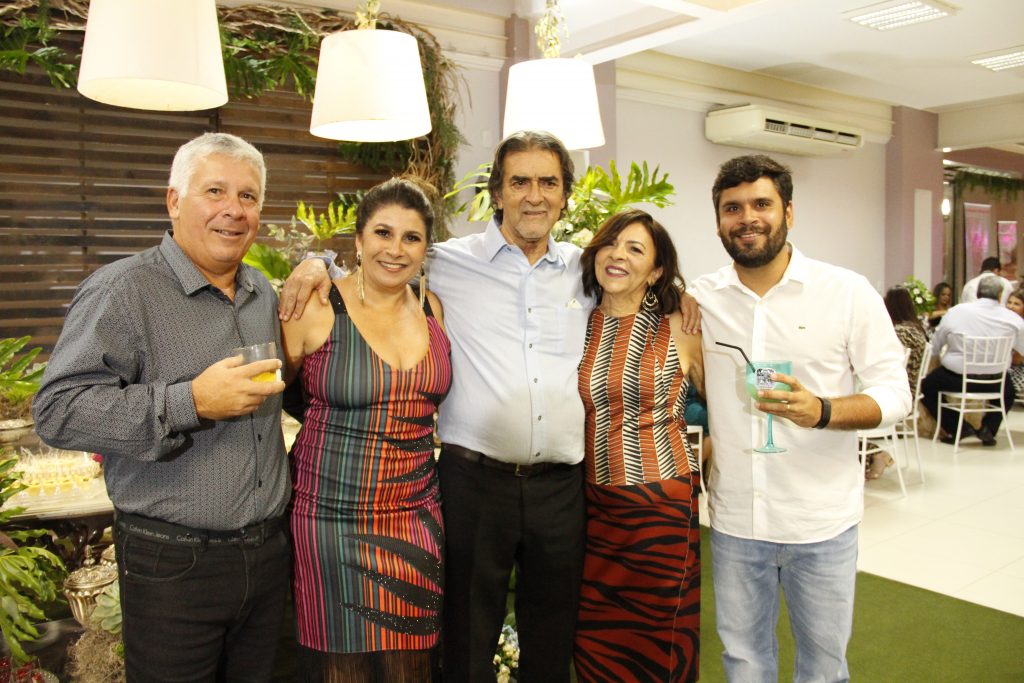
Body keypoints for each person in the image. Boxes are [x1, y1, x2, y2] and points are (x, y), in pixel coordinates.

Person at [32, 132, 291, 682]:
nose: (233, 209)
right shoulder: (123, 290)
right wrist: (190, 401)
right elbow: (57, 410)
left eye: (247, 196)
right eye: (214, 191)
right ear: (174, 200)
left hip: (268, 556)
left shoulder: (261, 293)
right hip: (174, 563)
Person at [690, 154, 911, 682]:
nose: (748, 218)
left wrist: (823, 411)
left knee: (823, 667)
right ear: (718, 222)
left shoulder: (846, 292)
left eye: (761, 204)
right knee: (744, 661)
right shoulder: (700, 299)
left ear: (788, 212)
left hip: (820, 522)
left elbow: (894, 393)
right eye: (733, 208)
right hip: (737, 520)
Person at [281, 177, 451, 681]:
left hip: (416, 517)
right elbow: (275, 398)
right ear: (357, 240)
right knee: (343, 669)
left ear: (425, 248)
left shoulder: (432, 308)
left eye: (411, 237)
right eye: (382, 232)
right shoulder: (315, 306)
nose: (395, 249)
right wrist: (315, 263)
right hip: (330, 523)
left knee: (413, 669)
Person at [573, 209, 703, 682]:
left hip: (660, 508)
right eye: (611, 243)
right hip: (592, 508)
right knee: (596, 641)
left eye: (635, 249)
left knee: (658, 642)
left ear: (655, 270)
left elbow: (728, 404)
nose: (618, 255)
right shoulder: (577, 323)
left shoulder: (682, 327)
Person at [922, 275, 1024, 447]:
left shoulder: (956, 312)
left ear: (977, 293)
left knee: (927, 387)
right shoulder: (1013, 319)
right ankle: (988, 429)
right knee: (1009, 393)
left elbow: (936, 346)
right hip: (995, 382)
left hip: (956, 379)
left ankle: (959, 427)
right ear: (1000, 295)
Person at [865, 286, 929, 479]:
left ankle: (874, 454)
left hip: (894, 395)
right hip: (908, 393)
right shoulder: (916, 329)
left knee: (836, 410)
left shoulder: (899, 334)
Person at [1006, 288, 1024, 397]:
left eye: (1016, 304)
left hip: (1018, 369)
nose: (1011, 306)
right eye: (1009, 302)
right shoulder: (1005, 322)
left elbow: (1018, 358)